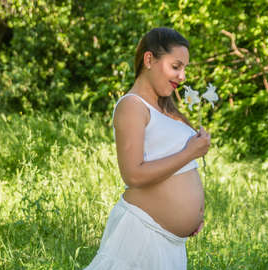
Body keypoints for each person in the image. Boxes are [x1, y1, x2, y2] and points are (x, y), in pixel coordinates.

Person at [85, 27, 210, 269]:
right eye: (176, 66)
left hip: (170, 243)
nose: (183, 76)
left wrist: (191, 216)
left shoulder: (168, 109)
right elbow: (132, 174)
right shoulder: (132, 106)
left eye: (184, 68)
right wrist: (189, 152)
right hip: (141, 235)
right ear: (149, 59)